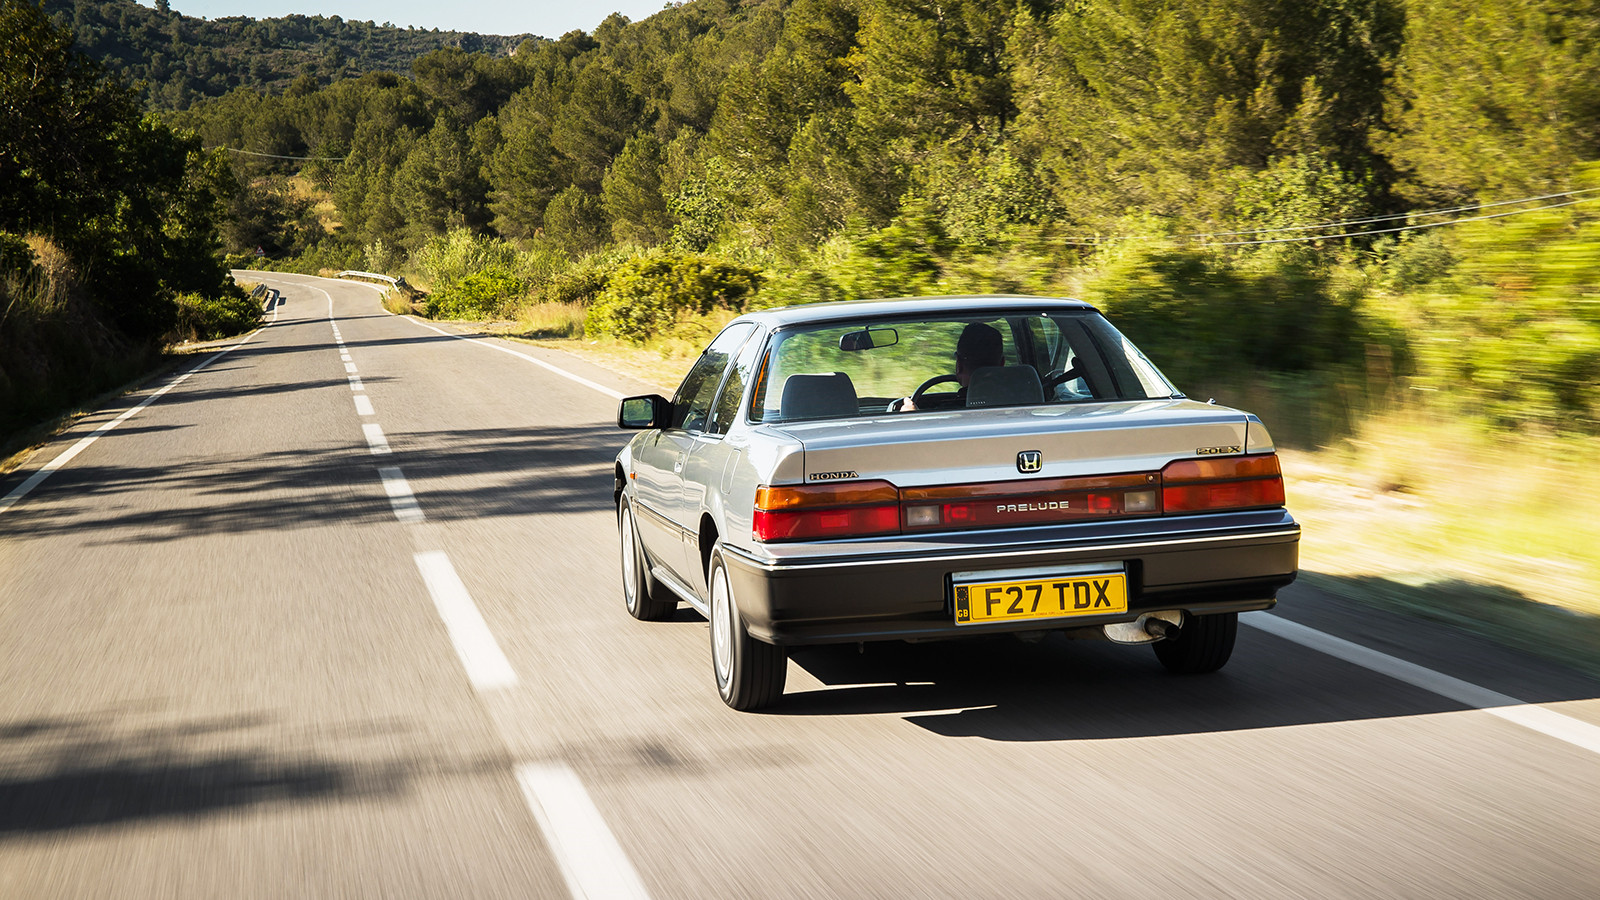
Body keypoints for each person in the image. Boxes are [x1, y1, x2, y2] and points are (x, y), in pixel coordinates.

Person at [895, 321, 1004, 411]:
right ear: (1002, 364)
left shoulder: (946, 414)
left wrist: (913, 417)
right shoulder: (1018, 404)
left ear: (959, 366)